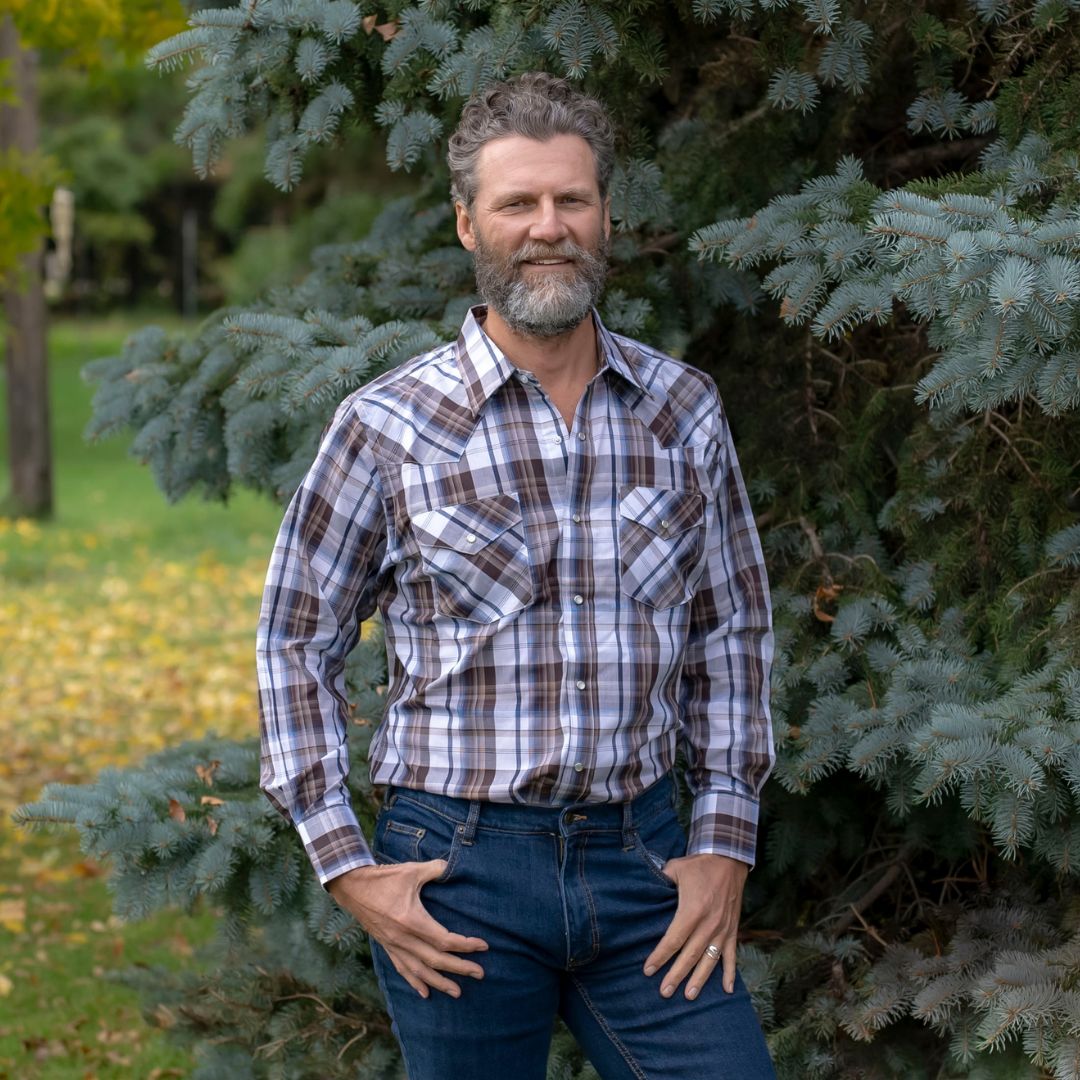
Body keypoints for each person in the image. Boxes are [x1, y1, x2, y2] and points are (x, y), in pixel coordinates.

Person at [257, 71, 776, 1079]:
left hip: (647, 865)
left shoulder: (683, 410)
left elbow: (733, 632)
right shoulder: (389, 425)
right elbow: (294, 637)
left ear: (605, 215)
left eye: (571, 199)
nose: (548, 227)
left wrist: (725, 841)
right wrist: (345, 865)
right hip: (457, 874)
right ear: (468, 224)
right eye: (517, 203)